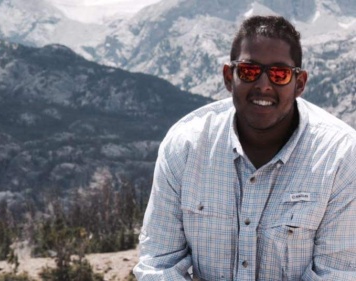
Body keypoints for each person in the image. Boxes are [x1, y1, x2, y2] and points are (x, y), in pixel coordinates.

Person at [133, 15, 356, 280]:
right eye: (249, 71)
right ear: (229, 77)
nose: (263, 85)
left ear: (299, 84)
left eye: (279, 74)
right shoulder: (185, 146)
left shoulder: (341, 156)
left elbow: (338, 273)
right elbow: (158, 264)